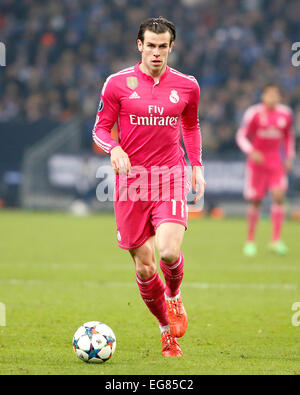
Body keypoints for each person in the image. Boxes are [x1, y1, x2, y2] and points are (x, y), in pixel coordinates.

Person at [92, 17, 205, 357]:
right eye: (151, 45)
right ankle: (165, 331)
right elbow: (99, 129)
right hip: (132, 183)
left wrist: (196, 165)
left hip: (169, 175)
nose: (156, 52)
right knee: (144, 265)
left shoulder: (187, 86)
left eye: (163, 46)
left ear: (171, 47)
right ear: (139, 45)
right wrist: (114, 147)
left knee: (169, 251)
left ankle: (174, 297)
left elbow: (191, 125)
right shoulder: (117, 84)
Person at [236, 84, 294, 257]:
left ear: (279, 97)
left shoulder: (285, 114)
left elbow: (288, 137)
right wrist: (251, 151)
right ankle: (250, 241)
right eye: (269, 95)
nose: (272, 98)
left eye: (276, 95)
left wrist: (290, 157)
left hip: (276, 162)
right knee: (256, 201)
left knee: (278, 196)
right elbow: (241, 135)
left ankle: (276, 240)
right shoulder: (253, 113)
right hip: (257, 164)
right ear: (263, 96)